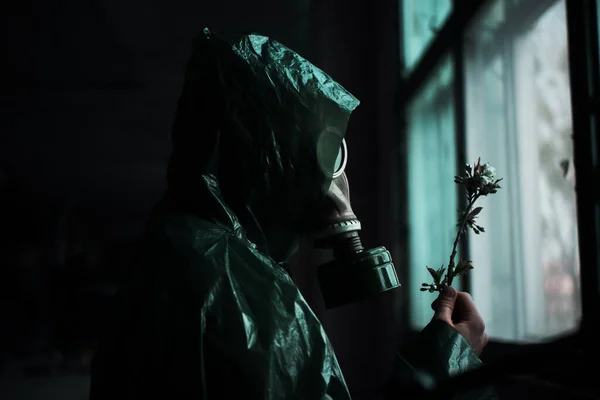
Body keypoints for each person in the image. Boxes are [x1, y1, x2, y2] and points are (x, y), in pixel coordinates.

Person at [90, 28, 493, 399]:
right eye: (325, 152)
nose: (332, 178)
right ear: (268, 154)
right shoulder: (237, 287)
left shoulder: (179, 246)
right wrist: (445, 367)